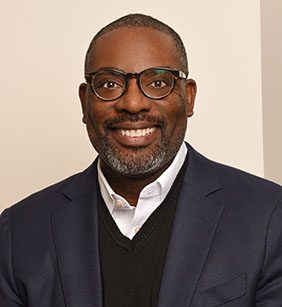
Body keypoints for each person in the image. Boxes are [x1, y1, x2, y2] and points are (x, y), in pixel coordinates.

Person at [0, 13, 282, 307]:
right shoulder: (18, 232)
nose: (133, 104)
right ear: (85, 102)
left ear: (189, 97)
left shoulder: (269, 218)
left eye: (158, 82)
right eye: (109, 84)